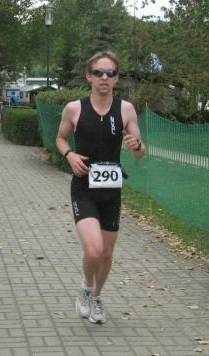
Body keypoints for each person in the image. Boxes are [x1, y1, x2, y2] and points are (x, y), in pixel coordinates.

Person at [55, 51, 144, 324]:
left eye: (110, 73)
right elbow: (60, 138)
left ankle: (96, 297)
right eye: (98, 73)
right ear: (89, 77)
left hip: (111, 191)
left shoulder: (126, 110)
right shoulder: (74, 109)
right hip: (84, 187)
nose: (104, 78)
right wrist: (69, 155)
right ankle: (85, 286)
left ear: (117, 78)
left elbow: (140, 151)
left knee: (106, 253)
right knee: (93, 250)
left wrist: (136, 145)